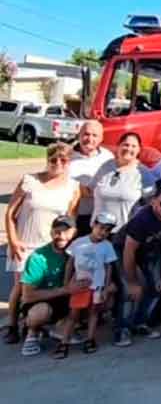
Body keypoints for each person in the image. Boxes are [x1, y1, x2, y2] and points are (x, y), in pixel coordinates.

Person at [5, 142, 80, 344]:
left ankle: (36, 323)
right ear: (47, 160)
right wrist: (13, 240)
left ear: (69, 162)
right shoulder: (30, 181)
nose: (58, 163)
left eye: (63, 160)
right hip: (26, 242)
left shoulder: (73, 187)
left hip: (53, 244)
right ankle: (12, 324)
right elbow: (10, 212)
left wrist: (66, 245)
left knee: (47, 285)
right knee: (21, 287)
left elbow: (70, 217)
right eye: (53, 159)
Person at [114, 187, 161, 347]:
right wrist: (132, 282)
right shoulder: (142, 220)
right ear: (153, 203)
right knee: (128, 291)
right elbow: (129, 252)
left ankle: (140, 322)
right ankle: (122, 329)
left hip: (151, 248)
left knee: (158, 286)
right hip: (123, 248)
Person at [17, 217, 87, 357]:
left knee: (101, 299)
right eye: (57, 232)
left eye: (66, 232)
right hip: (41, 300)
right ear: (51, 232)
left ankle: (59, 328)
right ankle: (32, 332)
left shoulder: (80, 250)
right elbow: (27, 296)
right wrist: (65, 290)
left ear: (74, 232)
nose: (61, 236)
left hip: (67, 298)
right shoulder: (38, 257)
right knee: (41, 312)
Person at [58, 212, 118, 357]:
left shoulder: (107, 246)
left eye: (107, 230)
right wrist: (66, 283)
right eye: (101, 227)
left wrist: (105, 287)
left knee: (94, 312)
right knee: (74, 315)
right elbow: (70, 263)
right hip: (80, 285)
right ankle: (64, 342)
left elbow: (108, 267)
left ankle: (90, 339)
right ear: (94, 224)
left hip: (97, 286)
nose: (103, 232)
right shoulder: (79, 242)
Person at [90, 132, 157, 235]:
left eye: (133, 146)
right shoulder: (106, 166)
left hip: (123, 234)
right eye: (125, 144)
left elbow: (151, 204)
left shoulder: (143, 173)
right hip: (97, 232)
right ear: (118, 146)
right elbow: (90, 188)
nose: (129, 148)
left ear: (139, 150)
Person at [68, 120, 115, 236]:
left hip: (98, 219)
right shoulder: (66, 156)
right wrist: (79, 190)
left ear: (101, 138)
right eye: (86, 134)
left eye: (95, 135)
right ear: (79, 135)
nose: (90, 139)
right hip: (71, 215)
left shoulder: (108, 157)